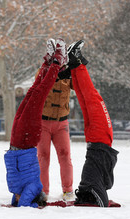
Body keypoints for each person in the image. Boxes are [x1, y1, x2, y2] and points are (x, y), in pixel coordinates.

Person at [4, 38, 68, 207]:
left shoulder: (15, 191)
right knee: (41, 93)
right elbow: (25, 204)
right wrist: (30, 204)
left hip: (16, 142)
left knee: (32, 91)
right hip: (26, 139)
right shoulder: (34, 188)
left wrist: (13, 202)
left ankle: (47, 64)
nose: (16, 200)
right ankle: (57, 61)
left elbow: (16, 200)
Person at [67, 40, 118, 207]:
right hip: (94, 140)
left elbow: (102, 202)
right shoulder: (90, 182)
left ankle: (76, 61)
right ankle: (75, 64)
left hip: (100, 140)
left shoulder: (93, 184)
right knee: (84, 98)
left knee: (92, 97)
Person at [37, 39, 74, 201]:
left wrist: (74, 65)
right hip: (43, 123)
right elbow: (38, 83)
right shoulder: (44, 71)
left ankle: (68, 190)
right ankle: (43, 191)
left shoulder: (69, 74)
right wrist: (49, 64)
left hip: (62, 123)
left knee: (65, 156)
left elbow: (80, 84)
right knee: (43, 157)